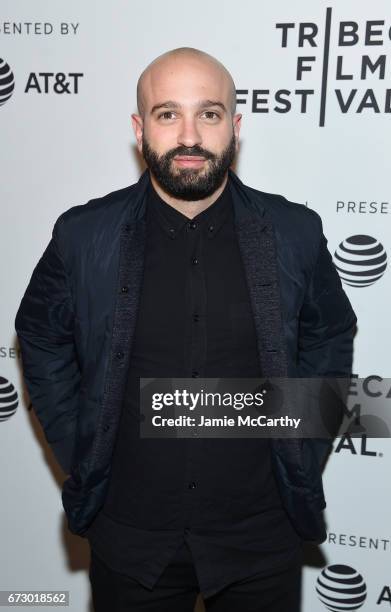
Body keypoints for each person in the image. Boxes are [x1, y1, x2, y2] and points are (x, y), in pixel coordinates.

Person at [15, 47, 357, 612]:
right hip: (131, 538)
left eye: (211, 113)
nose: (190, 136)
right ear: (139, 127)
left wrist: (305, 443)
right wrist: (80, 441)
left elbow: (331, 334)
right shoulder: (82, 236)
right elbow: (40, 332)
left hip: (260, 539)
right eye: (168, 113)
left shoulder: (294, 232)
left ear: (236, 127)